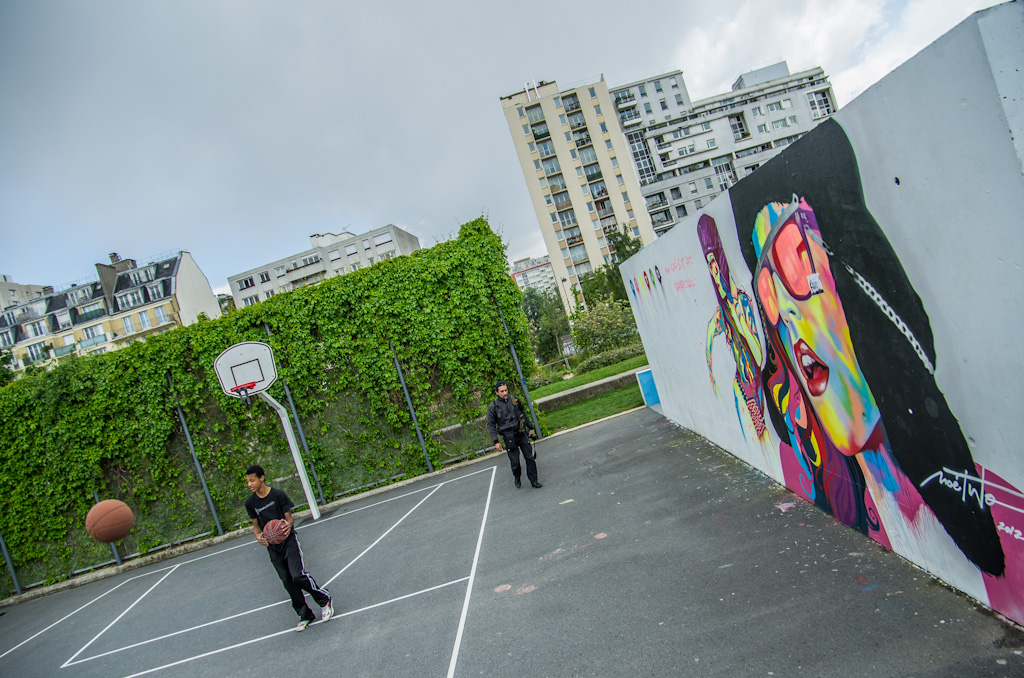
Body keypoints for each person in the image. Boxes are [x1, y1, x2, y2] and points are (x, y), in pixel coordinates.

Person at [245, 464, 333, 631]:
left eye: (252, 480)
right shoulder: (250, 503)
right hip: (272, 546)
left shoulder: (278, 495)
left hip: (288, 541)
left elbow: (290, 519)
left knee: (297, 576)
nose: (250, 484)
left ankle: (324, 600)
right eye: (248, 481)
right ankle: (305, 615)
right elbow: (256, 527)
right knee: (287, 581)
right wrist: (258, 537)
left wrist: (287, 524)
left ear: (261, 478)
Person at [486, 381, 542, 489]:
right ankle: (517, 477)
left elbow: (523, 413)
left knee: (530, 458)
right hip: (509, 438)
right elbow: (491, 425)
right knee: (515, 462)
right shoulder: (493, 407)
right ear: (496, 392)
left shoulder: (514, 400)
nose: (505, 393)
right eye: (502, 391)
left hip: (521, 433)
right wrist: (496, 441)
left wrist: (530, 428)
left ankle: (534, 481)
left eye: (506, 390)